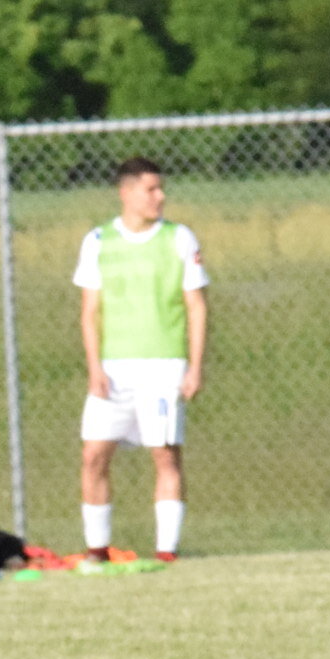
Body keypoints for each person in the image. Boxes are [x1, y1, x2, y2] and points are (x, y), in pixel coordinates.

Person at [74, 158, 209, 564]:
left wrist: (194, 366)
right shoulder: (98, 241)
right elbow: (89, 311)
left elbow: (196, 306)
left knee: (165, 454)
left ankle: (166, 550)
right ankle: (97, 548)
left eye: (160, 188)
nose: (160, 197)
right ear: (127, 193)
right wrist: (95, 367)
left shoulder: (179, 238)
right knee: (93, 455)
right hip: (114, 369)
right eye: (151, 189)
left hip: (163, 366)